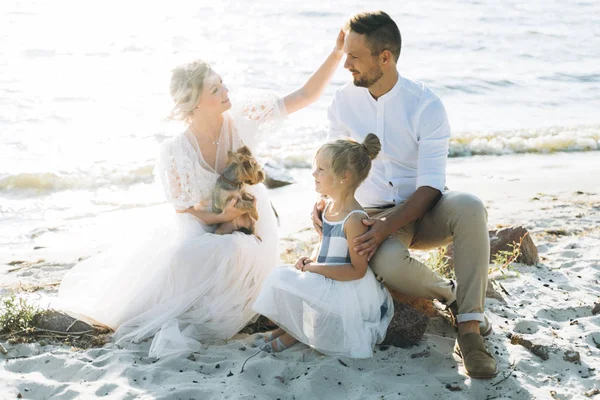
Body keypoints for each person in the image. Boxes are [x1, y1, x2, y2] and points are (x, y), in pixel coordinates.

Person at [56, 30, 346, 359]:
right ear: (195, 102)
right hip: (208, 219)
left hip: (252, 220)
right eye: (215, 88)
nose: (226, 91)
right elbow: (186, 211)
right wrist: (222, 217)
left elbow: (305, 96)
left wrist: (337, 53)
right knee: (183, 257)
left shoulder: (242, 118)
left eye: (222, 83)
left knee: (235, 246)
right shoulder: (175, 151)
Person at [312, 11, 498, 378]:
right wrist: (323, 206)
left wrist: (384, 229)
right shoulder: (343, 102)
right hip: (369, 211)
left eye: (354, 56)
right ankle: (455, 298)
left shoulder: (426, 104)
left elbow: (430, 185)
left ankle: (471, 331)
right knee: (388, 263)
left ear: (385, 57)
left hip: (427, 208)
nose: (345, 63)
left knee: (471, 206)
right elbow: (332, 169)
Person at [253, 134, 393, 358]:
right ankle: (290, 328)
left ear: (343, 177)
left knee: (296, 282)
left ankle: (295, 334)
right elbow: (326, 248)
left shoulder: (354, 219)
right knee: (281, 277)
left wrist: (314, 269)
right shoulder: (327, 208)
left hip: (346, 288)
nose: (313, 174)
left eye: (320, 169)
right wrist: (310, 261)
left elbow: (357, 270)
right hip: (326, 275)